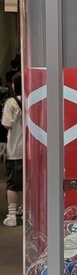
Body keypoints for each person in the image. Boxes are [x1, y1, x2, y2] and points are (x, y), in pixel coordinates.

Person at [2, 72, 22, 226]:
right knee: (28, 183)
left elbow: (6, 124)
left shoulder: (11, 102)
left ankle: (12, 215)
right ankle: (26, 210)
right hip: (31, 151)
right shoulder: (33, 100)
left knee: (12, 184)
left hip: (15, 150)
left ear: (15, 85)